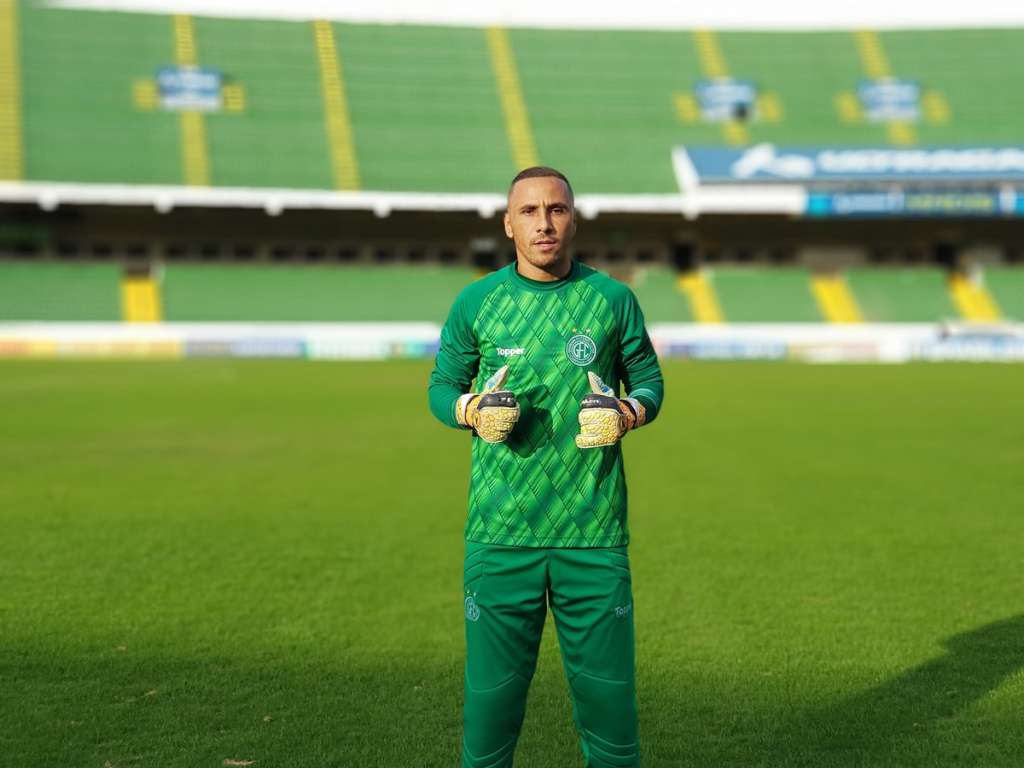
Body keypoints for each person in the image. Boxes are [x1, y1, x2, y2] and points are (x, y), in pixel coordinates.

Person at [428, 166, 664, 768]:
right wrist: (470, 409)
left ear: (573, 219)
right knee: (489, 721)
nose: (544, 223)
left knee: (612, 724)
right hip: (501, 535)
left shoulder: (612, 299)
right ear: (508, 225)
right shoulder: (476, 302)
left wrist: (628, 412)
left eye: (556, 209)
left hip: (593, 535)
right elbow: (440, 387)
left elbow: (649, 381)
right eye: (529, 212)